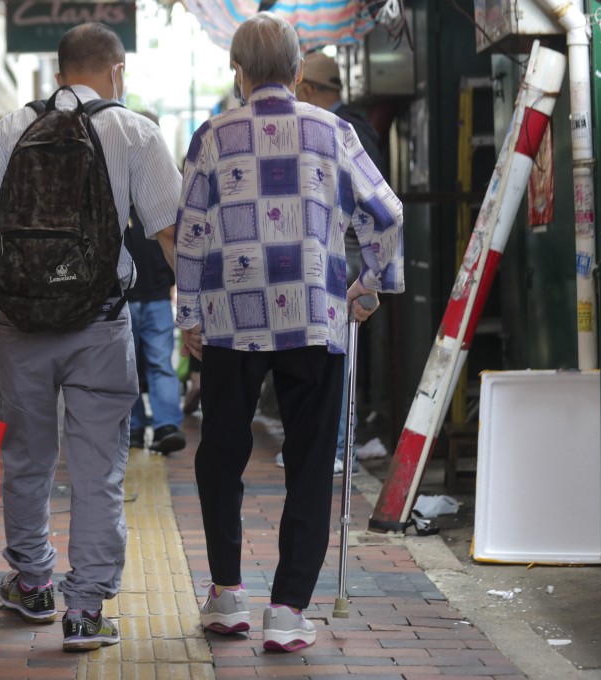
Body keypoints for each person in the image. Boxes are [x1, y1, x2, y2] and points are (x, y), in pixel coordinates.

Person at [0, 23, 182, 652]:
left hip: (18, 322)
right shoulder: (135, 131)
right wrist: (204, 315)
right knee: (97, 469)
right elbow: (171, 234)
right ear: (117, 71)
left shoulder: (10, 127)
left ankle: (32, 583)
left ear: (57, 73)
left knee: (25, 459)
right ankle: (84, 611)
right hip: (100, 324)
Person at [174, 13, 404, 652]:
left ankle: (225, 594)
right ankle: (287, 608)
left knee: (221, 451)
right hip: (313, 316)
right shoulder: (334, 131)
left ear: (237, 71)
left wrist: (188, 316)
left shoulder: (213, 136)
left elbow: (190, 231)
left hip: (231, 320)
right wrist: (369, 284)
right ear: (299, 71)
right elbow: (387, 211)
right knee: (308, 462)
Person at [275, 51, 388, 475]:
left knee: (335, 350)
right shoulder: (356, 124)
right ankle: (331, 445)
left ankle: (339, 448)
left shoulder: (341, 129)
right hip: (352, 249)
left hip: (347, 249)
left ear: (306, 89)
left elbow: (380, 207)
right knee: (332, 349)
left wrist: (372, 281)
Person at [124, 116, 186, 454]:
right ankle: (150, 425)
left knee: (139, 364)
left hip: (151, 295)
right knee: (149, 363)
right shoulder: (163, 182)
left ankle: (160, 425)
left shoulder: (127, 179)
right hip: (141, 295)